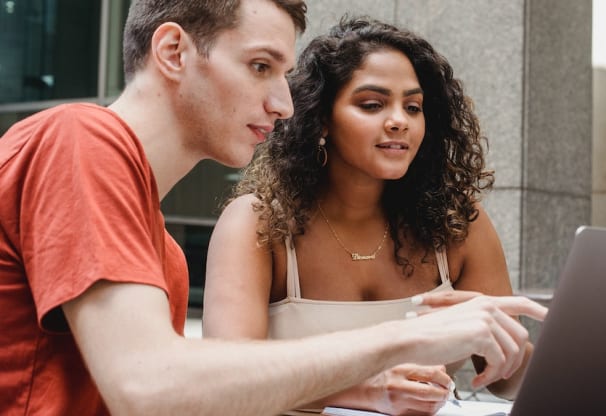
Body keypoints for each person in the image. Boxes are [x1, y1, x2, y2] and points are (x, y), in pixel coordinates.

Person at [0, 1, 545, 414]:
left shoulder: (161, 250)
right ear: (173, 52)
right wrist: (406, 338)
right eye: (261, 67)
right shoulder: (80, 137)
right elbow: (147, 384)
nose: (284, 104)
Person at [202, 16, 531, 415]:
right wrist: (366, 389)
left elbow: (505, 383)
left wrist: (513, 350)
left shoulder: (457, 222)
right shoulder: (257, 223)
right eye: (372, 105)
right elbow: (227, 384)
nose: (399, 121)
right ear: (321, 118)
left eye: (413, 107)